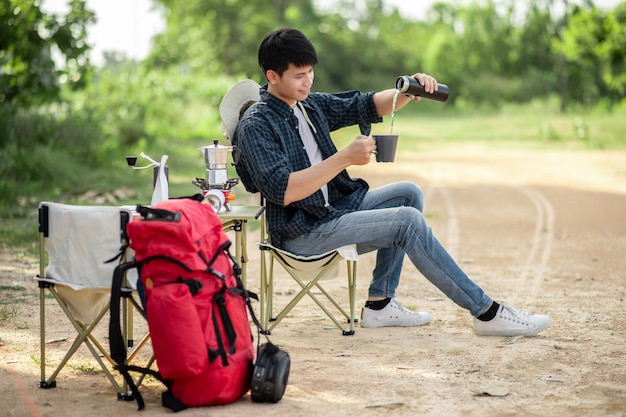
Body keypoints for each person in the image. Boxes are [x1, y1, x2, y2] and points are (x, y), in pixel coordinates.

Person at [221, 27, 551, 337]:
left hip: (332, 209)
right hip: (301, 231)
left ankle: (380, 304)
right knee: (406, 221)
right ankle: (487, 314)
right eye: (299, 75)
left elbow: (366, 104)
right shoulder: (257, 125)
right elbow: (284, 191)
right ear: (272, 76)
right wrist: (345, 158)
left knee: (408, 194)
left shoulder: (306, 104)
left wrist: (407, 90)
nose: (308, 82)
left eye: (310, 72)